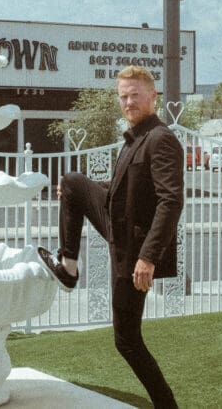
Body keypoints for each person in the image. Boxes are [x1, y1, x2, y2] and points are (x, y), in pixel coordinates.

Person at [38, 66, 184, 408]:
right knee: (72, 182)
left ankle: (166, 405)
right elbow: (124, 191)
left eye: (135, 95)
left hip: (134, 249)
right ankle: (69, 269)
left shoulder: (161, 139)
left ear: (153, 97)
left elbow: (171, 201)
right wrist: (83, 193)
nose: (128, 102)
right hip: (119, 225)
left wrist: (147, 257)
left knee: (127, 340)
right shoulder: (135, 138)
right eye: (123, 96)